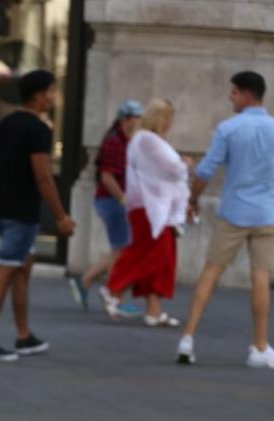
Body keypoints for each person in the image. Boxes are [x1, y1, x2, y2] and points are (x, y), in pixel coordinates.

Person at [0, 69, 75, 362]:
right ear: (40, 95)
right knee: (5, 271)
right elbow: (44, 176)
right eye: (52, 91)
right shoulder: (38, 129)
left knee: (21, 270)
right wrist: (61, 217)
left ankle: (24, 335)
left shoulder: (5, 123)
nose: (54, 97)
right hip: (22, 211)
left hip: (4, 207)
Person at [178, 71, 274, 368]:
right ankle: (258, 347)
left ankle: (188, 338)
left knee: (210, 272)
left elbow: (205, 172)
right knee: (261, 278)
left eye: (234, 92)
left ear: (246, 94)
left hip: (233, 211)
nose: (230, 97)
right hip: (266, 212)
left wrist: (192, 200)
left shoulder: (228, 128)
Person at [100, 99, 188, 326]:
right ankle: (115, 290)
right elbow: (174, 168)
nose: (170, 124)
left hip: (150, 207)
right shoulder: (148, 140)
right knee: (151, 255)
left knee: (159, 257)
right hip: (150, 209)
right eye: (168, 119)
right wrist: (185, 163)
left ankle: (153, 310)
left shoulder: (142, 140)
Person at [69, 100, 144, 315]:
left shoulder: (124, 140)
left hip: (115, 201)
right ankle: (107, 292)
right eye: (137, 117)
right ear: (127, 119)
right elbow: (107, 177)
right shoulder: (114, 142)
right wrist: (123, 200)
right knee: (123, 249)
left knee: (121, 249)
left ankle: (98, 288)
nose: (139, 122)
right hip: (112, 202)